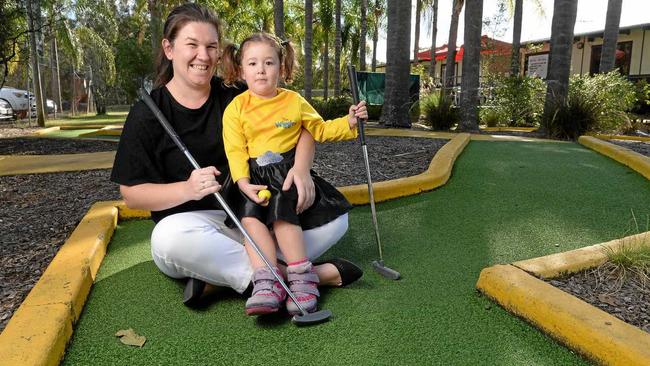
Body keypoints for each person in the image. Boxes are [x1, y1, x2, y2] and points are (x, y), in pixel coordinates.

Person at [110, 3, 362, 309]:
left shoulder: (238, 91)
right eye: (192, 44)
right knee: (167, 241)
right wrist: (187, 189)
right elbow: (132, 195)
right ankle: (303, 277)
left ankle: (228, 278)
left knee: (337, 221)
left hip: (257, 208)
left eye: (211, 46)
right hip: (194, 225)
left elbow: (301, 125)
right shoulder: (147, 114)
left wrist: (302, 167)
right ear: (169, 48)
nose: (203, 56)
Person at [220, 33, 368, 316]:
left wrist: (349, 121)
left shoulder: (294, 101)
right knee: (250, 219)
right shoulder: (236, 108)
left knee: (282, 216)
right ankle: (266, 280)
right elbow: (235, 150)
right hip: (253, 177)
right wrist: (242, 182)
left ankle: (302, 278)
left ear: (282, 68)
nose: (261, 69)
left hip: (286, 173)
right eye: (252, 63)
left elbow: (319, 130)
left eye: (268, 62)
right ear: (241, 70)